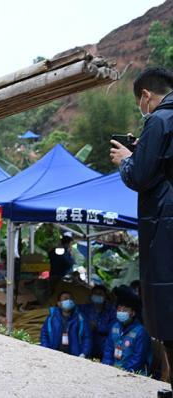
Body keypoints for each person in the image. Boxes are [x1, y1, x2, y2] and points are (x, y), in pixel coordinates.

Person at [110, 67, 173, 394]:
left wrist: (124, 159)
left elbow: (140, 176)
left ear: (146, 96)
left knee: (168, 312)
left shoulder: (159, 120)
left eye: (140, 101)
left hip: (165, 227)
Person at [102, 295, 151, 374]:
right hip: (114, 368)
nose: (121, 312)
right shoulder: (115, 327)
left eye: (125, 310)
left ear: (133, 313)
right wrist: (107, 366)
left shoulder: (141, 331)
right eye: (119, 309)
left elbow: (138, 357)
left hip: (134, 372)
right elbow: (108, 349)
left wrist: (123, 370)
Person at [40, 291, 92, 358]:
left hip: (74, 356)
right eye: (65, 299)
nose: (69, 301)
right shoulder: (52, 317)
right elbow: (44, 334)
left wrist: (84, 353)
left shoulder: (81, 318)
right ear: (59, 303)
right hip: (54, 354)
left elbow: (87, 337)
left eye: (70, 299)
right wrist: (46, 348)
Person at [79, 285, 117, 360]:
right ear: (91, 295)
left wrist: (98, 327)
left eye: (100, 294)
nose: (97, 295)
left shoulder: (111, 311)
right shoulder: (83, 308)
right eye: (95, 293)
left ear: (105, 296)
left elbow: (114, 327)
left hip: (104, 348)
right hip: (86, 346)